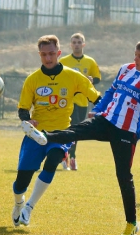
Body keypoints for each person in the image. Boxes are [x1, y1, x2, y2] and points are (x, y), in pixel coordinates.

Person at [21, 39, 140, 235]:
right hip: (106, 120)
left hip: (125, 131)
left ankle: (131, 223)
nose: (135, 59)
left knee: (123, 176)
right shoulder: (126, 69)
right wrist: (97, 110)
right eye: (135, 54)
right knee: (77, 130)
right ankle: (44, 136)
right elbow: (111, 92)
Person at [12, 34, 101, 227]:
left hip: (61, 132)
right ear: (40, 55)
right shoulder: (32, 80)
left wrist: (103, 113)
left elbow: (96, 97)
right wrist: (28, 121)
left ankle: (29, 207)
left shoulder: (74, 77)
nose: (48, 58)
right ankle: (19, 202)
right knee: (21, 182)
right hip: (36, 135)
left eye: (52, 53)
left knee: (53, 161)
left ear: (59, 53)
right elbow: (23, 109)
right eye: (44, 54)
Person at [59, 32, 101, 171]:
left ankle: (68, 156)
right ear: (70, 45)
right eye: (74, 42)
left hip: (83, 101)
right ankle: (70, 158)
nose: (76, 45)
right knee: (71, 128)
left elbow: (97, 78)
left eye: (79, 42)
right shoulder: (64, 61)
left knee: (76, 131)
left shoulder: (90, 61)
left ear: (83, 44)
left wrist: (92, 81)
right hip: (68, 100)